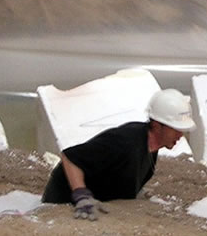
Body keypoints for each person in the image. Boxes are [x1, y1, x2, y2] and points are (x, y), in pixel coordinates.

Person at [42, 89, 196, 218]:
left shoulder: (150, 149)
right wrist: (82, 196)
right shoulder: (125, 142)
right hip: (65, 203)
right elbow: (70, 157)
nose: (180, 135)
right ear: (157, 125)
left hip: (101, 204)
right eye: (175, 129)